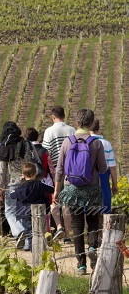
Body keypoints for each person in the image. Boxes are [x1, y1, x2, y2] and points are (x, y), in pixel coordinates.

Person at [54, 108, 107, 275]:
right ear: (91, 123)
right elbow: (103, 168)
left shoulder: (67, 142)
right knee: (92, 220)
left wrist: (56, 190)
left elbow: (60, 169)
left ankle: (81, 265)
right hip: (91, 188)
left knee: (76, 225)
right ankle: (92, 245)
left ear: (76, 123)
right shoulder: (96, 143)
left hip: (72, 189)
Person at [0, 121, 42, 247]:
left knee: (9, 212)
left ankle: (19, 231)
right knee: (25, 213)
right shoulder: (27, 144)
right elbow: (35, 161)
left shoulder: (5, 146)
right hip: (27, 182)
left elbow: (2, 170)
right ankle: (28, 243)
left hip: (11, 184)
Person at [42, 106, 75, 241]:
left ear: (53, 117)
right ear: (64, 115)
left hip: (55, 169)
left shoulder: (49, 131)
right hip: (70, 169)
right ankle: (67, 235)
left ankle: (59, 226)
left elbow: (46, 152)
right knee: (67, 202)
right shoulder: (72, 130)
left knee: (54, 200)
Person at [24, 127, 63, 237]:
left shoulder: (26, 152)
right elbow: (51, 168)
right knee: (51, 204)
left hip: (30, 182)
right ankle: (53, 229)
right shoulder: (44, 151)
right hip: (45, 180)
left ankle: (36, 233)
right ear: (37, 137)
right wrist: (56, 183)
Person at [9, 162, 51, 251]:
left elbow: (12, 195)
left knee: (29, 233)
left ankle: (30, 247)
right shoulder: (39, 185)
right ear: (36, 173)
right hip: (39, 212)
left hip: (24, 213)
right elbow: (51, 189)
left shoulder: (20, 187)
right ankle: (36, 249)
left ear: (23, 175)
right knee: (39, 232)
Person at [89, 119, 118, 213]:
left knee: (89, 211)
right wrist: (115, 184)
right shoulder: (106, 143)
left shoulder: (85, 142)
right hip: (103, 179)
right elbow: (112, 167)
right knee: (104, 210)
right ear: (98, 128)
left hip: (88, 178)